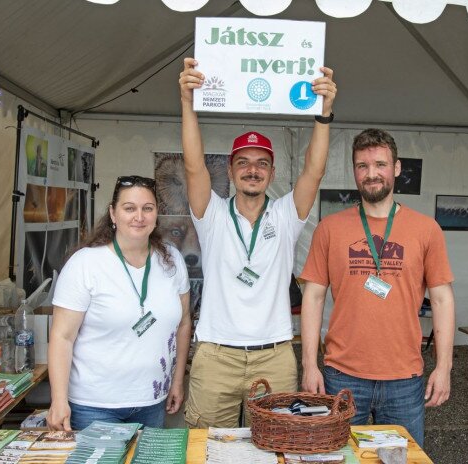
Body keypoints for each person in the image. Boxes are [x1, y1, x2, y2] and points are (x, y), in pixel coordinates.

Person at [178, 57, 337, 428]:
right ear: (230, 171)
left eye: (262, 163)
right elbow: (192, 166)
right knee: (207, 450)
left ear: (273, 172)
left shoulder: (285, 215)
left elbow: (314, 170)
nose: (253, 169)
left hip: (275, 356)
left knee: (275, 446)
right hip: (216, 355)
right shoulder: (212, 213)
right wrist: (187, 103)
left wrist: (324, 113)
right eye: (244, 163)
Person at [299, 129, 455, 447]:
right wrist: (309, 364)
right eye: (362, 166)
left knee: (400, 458)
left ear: (396, 168)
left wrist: (444, 366)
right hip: (341, 374)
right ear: (354, 170)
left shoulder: (426, 229)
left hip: (403, 377)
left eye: (380, 164)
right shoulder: (329, 228)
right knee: (337, 455)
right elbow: (313, 296)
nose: (371, 174)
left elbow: (441, 299)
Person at [46, 176, 191, 431]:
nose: (139, 216)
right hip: (94, 405)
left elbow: (184, 322)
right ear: (113, 213)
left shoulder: (172, 260)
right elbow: (62, 336)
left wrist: (177, 380)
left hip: (151, 401)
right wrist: (58, 401)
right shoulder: (86, 264)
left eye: (148, 208)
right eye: (129, 208)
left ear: (156, 214)